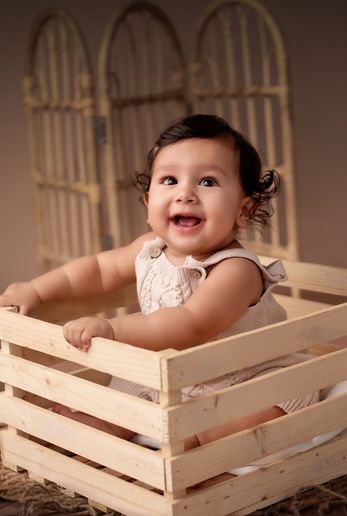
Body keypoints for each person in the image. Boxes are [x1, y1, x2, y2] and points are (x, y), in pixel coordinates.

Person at [0, 114, 318, 450]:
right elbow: (95, 270)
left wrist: (113, 330)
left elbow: (191, 324)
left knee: (283, 394)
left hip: (242, 377)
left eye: (207, 182)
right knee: (127, 385)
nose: (185, 194)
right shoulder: (149, 249)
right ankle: (106, 425)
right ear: (149, 203)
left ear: (244, 210)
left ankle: (200, 442)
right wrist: (35, 289)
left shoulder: (236, 270)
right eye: (169, 180)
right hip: (168, 374)